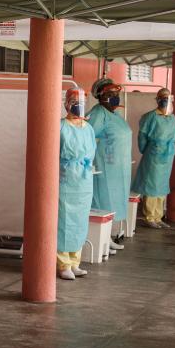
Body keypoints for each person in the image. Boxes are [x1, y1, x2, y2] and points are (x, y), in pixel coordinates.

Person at [88, 78, 132, 253]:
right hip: (104, 167)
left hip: (119, 168)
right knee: (104, 202)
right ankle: (102, 239)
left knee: (114, 203)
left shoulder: (116, 115)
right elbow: (87, 136)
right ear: (101, 97)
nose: (115, 98)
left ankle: (107, 238)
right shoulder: (99, 113)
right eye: (110, 95)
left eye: (116, 95)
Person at [57, 88, 96, 281]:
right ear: (67, 104)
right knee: (64, 221)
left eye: (81, 100)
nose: (79, 104)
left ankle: (75, 262)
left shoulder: (88, 128)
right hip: (65, 180)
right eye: (74, 100)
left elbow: (92, 152)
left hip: (84, 181)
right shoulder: (60, 126)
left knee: (80, 221)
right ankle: (63, 263)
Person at [131, 88, 175, 229]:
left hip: (168, 155)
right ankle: (149, 216)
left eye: (167, 97)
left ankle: (158, 216)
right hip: (153, 155)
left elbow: (174, 136)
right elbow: (142, 138)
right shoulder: (150, 117)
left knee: (162, 187)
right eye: (163, 97)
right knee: (151, 186)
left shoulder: (171, 117)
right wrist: (149, 150)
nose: (165, 100)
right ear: (157, 99)